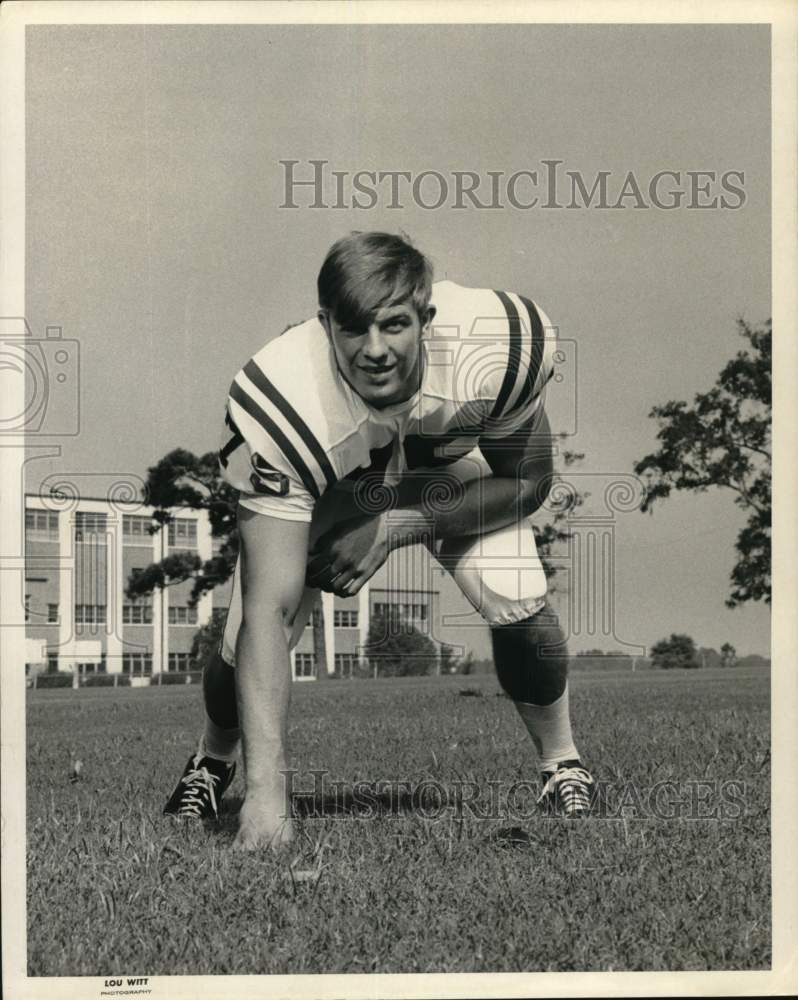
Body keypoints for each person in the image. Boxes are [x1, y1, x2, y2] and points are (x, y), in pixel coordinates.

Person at [163, 231, 596, 848]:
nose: (374, 351)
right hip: (334, 486)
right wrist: (267, 799)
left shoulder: (495, 344)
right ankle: (213, 761)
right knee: (246, 637)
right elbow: (270, 605)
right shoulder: (285, 395)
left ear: (427, 317)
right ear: (325, 325)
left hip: (440, 481)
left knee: (516, 590)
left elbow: (527, 482)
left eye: (394, 325)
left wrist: (395, 524)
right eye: (353, 330)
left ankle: (562, 763)